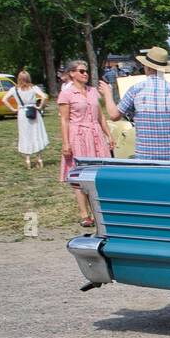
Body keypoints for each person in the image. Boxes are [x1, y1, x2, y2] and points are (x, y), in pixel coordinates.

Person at [99, 46, 170, 161]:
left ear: (147, 67)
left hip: (145, 156)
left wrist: (108, 94)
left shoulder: (136, 89)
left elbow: (114, 115)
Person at [58, 60, 113, 227]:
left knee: (99, 174)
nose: (85, 74)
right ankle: (84, 214)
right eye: (81, 71)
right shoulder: (67, 94)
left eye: (86, 71)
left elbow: (100, 115)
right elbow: (64, 120)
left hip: (95, 133)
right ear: (72, 74)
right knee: (79, 175)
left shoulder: (92, 91)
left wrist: (108, 134)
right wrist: (66, 143)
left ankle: (100, 211)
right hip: (78, 135)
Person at [4, 70, 49, 168]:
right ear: (28, 78)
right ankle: (39, 158)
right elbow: (44, 96)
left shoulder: (14, 89)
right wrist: (40, 107)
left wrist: (13, 109)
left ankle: (28, 160)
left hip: (22, 113)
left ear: (19, 78)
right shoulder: (33, 88)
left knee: (25, 135)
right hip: (33, 112)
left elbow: (4, 99)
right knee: (36, 134)